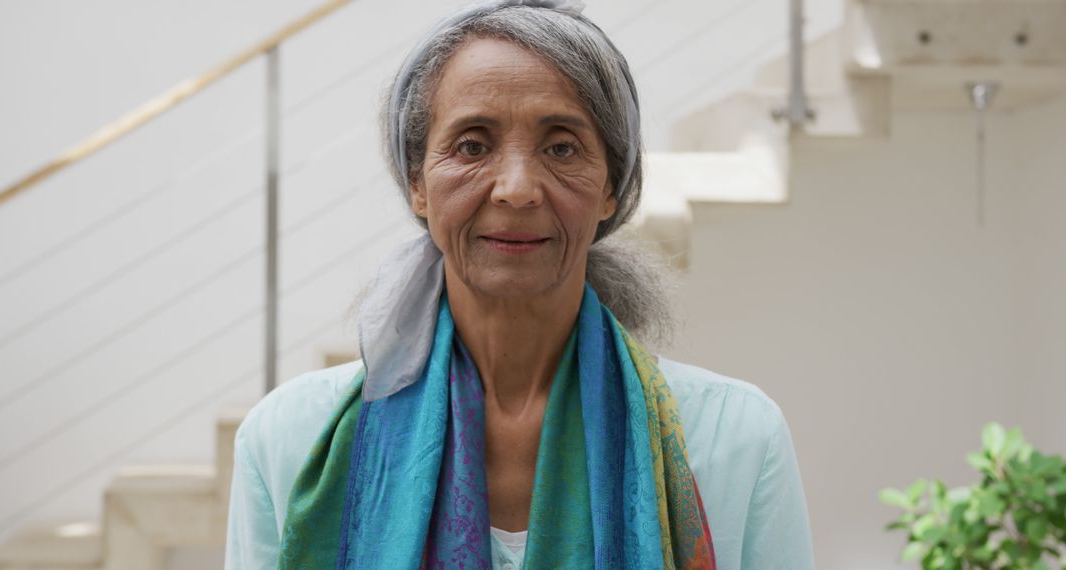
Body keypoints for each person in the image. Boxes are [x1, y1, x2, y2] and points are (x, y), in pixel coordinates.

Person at [225, 1, 814, 568]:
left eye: (561, 147)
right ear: (417, 183)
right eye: (472, 145)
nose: (516, 188)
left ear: (612, 186)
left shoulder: (733, 440)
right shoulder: (291, 444)